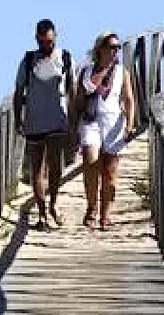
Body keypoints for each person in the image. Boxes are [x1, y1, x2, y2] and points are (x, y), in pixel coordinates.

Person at [12, 19, 75, 229]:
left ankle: (53, 203)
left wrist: (74, 120)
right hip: (35, 120)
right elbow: (18, 90)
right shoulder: (29, 60)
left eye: (49, 41)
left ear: (55, 37)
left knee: (55, 166)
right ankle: (41, 213)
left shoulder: (65, 58)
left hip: (57, 120)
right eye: (42, 42)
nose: (46, 46)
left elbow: (72, 90)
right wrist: (17, 119)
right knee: (36, 168)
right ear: (36, 39)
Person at [76, 32, 137, 231]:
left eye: (117, 47)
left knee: (110, 173)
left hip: (113, 123)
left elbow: (129, 99)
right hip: (90, 120)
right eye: (111, 47)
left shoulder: (121, 72)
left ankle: (106, 214)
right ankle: (92, 207)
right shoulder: (86, 71)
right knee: (90, 161)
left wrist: (130, 125)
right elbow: (77, 100)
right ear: (100, 48)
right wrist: (71, 127)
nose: (115, 51)